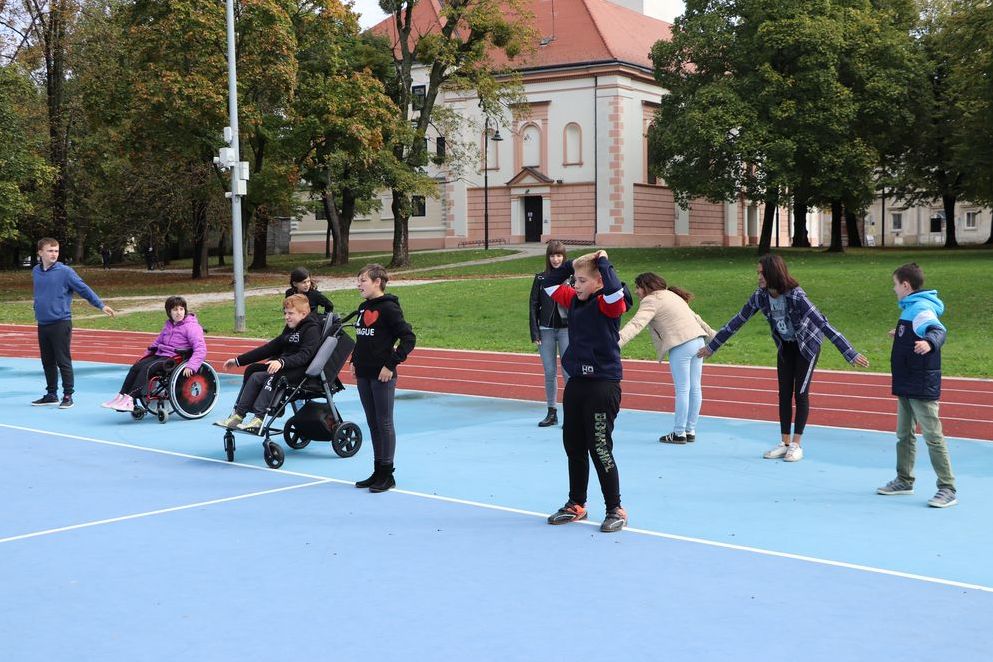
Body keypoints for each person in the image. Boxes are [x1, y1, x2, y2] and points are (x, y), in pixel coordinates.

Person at [697, 254, 869, 462]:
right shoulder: (760, 296)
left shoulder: (796, 296)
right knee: (783, 394)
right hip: (786, 346)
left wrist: (849, 352)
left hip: (807, 346)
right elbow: (737, 321)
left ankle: (796, 445)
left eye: (762, 273)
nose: (758, 277)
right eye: (758, 273)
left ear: (773, 273)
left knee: (801, 393)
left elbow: (823, 323)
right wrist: (713, 346)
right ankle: (784, 443)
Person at [543, 250, 632, 533]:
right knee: (574, 445)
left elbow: (616, 294)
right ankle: (576, 503)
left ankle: (615, 507)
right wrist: (573, 264)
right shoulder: (574, 300)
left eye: (582, 280)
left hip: (602, 385)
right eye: (575, 280)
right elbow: (549, 283)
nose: (576, 285)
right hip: (577, 384)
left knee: (600, 447)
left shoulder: (608, 304)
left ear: (598, 282)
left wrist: (603, 262)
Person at [876, 263, 957, 508]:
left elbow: (936, 329)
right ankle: (904, 480)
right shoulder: (910, 309)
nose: (893, 289)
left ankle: (947, 487)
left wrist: (930, 343)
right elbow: (915, 330)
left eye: (895, 284)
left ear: (905, 285)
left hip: (921, 382)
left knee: (932, 436)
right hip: (906, 380)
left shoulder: (921, 308)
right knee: (904, 434)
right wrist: (901, 334)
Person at [619, 272, 716, 444]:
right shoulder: (672, 295)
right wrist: (715, 337)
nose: (636, 291)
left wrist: (616, 343)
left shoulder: (651, 300)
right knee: (695, 388)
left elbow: (636, 324)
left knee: (683, 390)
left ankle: (679, 433)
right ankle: (690, 430)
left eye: (638, 287)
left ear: (647, 287)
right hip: (698, 342)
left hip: (681, 345)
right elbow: (696, 318)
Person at [351, 264, 416, 493]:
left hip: (382, 375)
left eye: (363, 280)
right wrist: (355, 360)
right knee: (372, 422)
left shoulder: (389, 308)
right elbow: (363, 339)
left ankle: (388, 474)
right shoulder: (363, 308)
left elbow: (408, 338)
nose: (359, 285)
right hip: (363, 372)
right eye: (358, 281)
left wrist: (391, 364)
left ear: (377, 281)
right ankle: (377, 470)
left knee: (384, 422)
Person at [215, 294, 321, 432]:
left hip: (302, 370)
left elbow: (305, 356)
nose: (286, 317)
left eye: (290, 313)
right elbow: (269, 348)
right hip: (285, 367)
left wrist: (282, 362)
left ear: (304, 314)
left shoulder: (311, 329)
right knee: (253, 373)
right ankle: (238, 415)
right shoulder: (290, 328)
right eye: (285, 313)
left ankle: (259, 418)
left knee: (274, 375)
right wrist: (238, 361)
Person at [32, 237, 116, 409]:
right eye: (50, 250)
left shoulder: (65, 272)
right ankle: (51, 394)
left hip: (60, 322)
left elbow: (83, 289)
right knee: (47, 361)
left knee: (63, 360)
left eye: (56, 251)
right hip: (43, 323)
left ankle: (68, 395)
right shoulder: (36, 271)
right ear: (40, 253)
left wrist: (100, 305)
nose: (54, 254)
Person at [101, 296, 207, 412]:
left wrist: (191, 365)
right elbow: (157, 342)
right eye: (175, 310)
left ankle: (130, 399)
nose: (179, 312)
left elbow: (200, 348)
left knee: (147, 368)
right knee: (137, 366)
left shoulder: (191, 327)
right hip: (161, 354)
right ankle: (121, 396)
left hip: (175, 358)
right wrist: (145, 356)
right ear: (169, 312)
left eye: (181, 309)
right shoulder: (169, 325)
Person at [529, 240, 570, 427]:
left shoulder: (573, 278)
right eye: (553, 255)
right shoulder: (540, 279)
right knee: (550, 372)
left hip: (567, 330)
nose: (556, 259)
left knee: (569, 372)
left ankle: (571, 413)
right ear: (548, 257)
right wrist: (534, 331)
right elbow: (533, 305)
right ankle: (551, 412)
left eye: (559, 255)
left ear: (564, 257)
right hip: (545, 330)